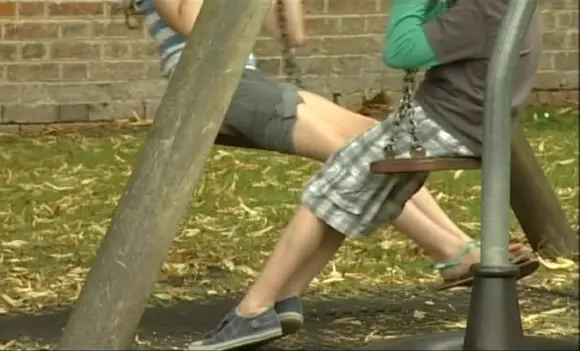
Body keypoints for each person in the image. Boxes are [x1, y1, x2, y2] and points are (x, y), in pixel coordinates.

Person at [131, 1, 540, 349]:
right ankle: (453, 251)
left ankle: (289, 297)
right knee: (355, 161)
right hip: (208, 85)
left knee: (374, 138)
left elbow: (292, 32)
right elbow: (196, 26)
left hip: (250, 81)